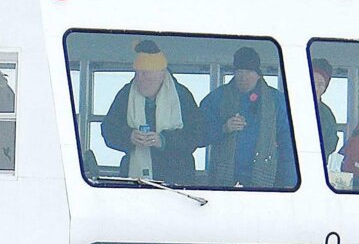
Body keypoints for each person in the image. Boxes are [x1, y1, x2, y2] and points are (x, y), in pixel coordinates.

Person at [97, 41, 201, 182]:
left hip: (177, 177)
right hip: (135, 179)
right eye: (137, 73)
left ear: (161, 73)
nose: (139, 78)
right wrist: (129, 136)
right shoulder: (126, 94)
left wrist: (164, 141)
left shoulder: (182, 96)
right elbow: (108, 129)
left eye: (145, 73)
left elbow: (197, 135)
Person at [197, 46, 296, 189]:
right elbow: (198, 136)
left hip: (267, 183)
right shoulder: (216, 99)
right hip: (222, 182)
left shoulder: (277, 102)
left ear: (258, 74)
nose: (244, 77)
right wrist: (224, 128)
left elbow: (288, 145)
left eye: (249, 71)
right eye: (239, 71)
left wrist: (289, 185)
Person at [311, 57, 340, 161]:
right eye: (312, 82)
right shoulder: (285, 107)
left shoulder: (327, 114)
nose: (316, 88)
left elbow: (331, 142)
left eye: (321, 84)